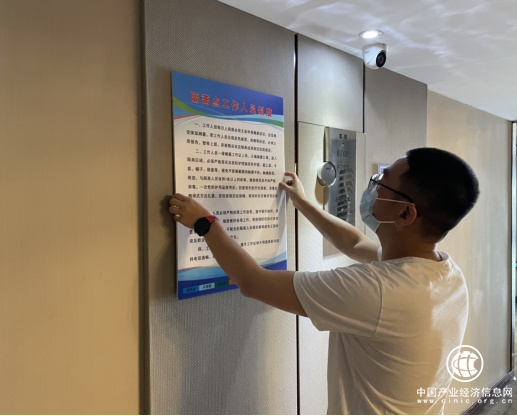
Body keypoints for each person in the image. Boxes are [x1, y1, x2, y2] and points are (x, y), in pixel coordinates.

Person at [168, 147, 479, 415]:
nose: (373, 187)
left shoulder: (379, 290)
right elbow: (354, 243)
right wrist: (303, 202)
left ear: (405, 214)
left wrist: (205, 223)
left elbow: (253, 282)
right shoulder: (444, 273)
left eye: (382, 182)